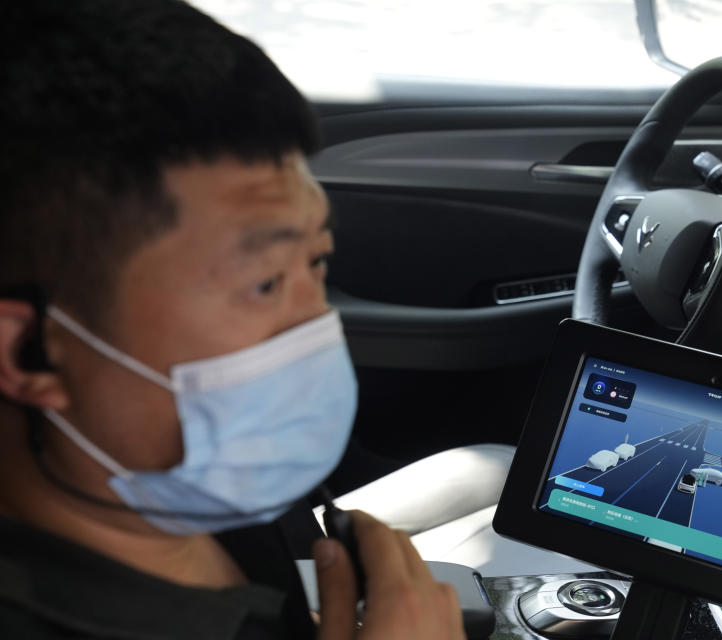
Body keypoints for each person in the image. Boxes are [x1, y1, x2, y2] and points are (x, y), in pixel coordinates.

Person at [0, 1, 467, 637]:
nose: (317, 328)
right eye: (265, 282)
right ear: (26, 349)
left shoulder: (195, 483)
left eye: (317, 262)